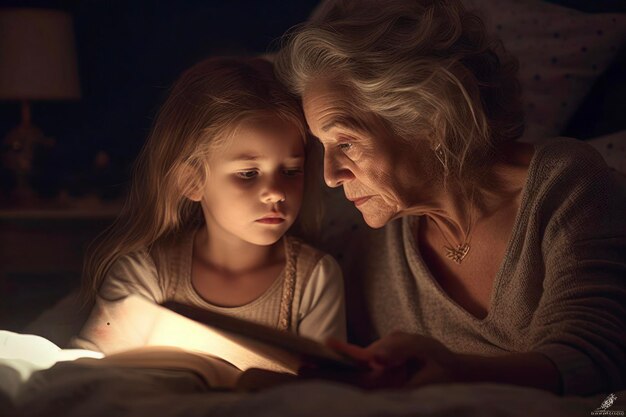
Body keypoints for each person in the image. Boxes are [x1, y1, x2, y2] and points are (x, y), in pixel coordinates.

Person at [275, 0, 626, 395]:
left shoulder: (566, 184)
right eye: (323, 147)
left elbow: (599, 366)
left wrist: (457, 372)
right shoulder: (371, 252)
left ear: (431, 120)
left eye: (347, 142)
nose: (330, 176)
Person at [71, 57, 346, 352]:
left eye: (291, 171)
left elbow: (325, 390)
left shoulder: (314, 279)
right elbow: (89, 371)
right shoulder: (145, 275)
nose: (276, 193)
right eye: (248, 174)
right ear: (192, 182)